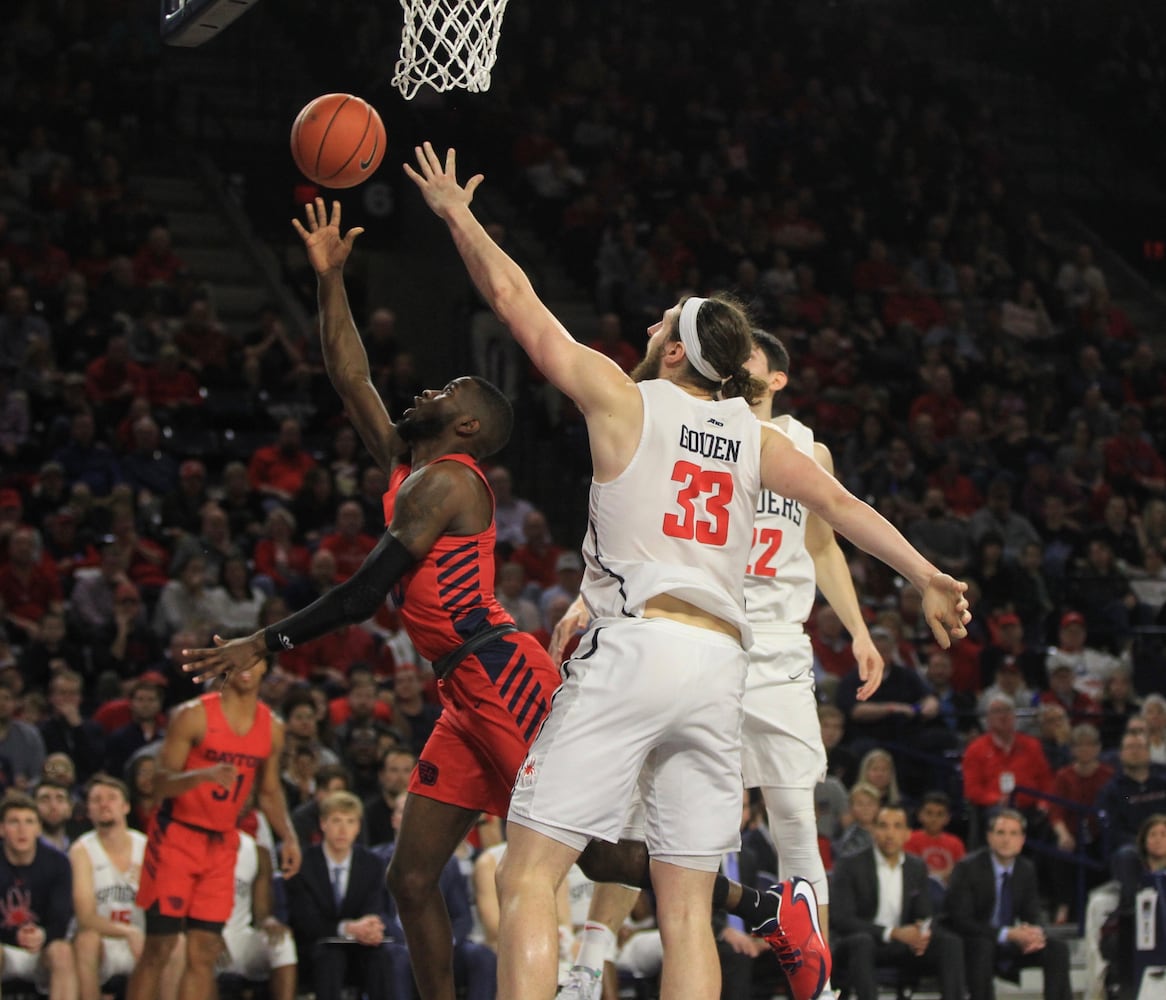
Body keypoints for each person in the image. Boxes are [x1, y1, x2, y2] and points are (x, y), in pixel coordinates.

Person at [401, 142, 969, 1000]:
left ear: (675, 355)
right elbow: (846, 510)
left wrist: (456, 212)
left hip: (638, 650)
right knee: (685, 905)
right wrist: (925, 574)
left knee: (527, 877)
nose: (649, 330)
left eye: (662, 324)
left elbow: (514, 301)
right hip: (720, 674)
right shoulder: (756, 436)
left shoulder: (622, 399)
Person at [183, 196, 562, 1000]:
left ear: (467, 430)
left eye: (451, 390)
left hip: (500, 670)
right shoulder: (408, 462)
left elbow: (363, 596)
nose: (431, 389)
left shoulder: (449, 485)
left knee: (586, 847)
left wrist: (267, 641)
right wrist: (330, 280)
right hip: (461, 685)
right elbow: (348, 372)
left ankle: (751, 900)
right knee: (412, 878)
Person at [558, 327, 887, 1000]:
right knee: (641, 814)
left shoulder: (801, 445)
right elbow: (640, 522)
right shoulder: (700, 425)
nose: (738, 360)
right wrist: (585, 596)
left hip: (778, 644)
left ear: (776, 378)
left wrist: (857, 628)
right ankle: (588, 969)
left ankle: (815, 981)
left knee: (795, 813)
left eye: (751, 355)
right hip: (704, 633)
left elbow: (825, 543)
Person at [125, 656, 301, 1000]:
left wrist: (289, 836)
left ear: (266, 667)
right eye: (241, 658)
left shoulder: (272, 727)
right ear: (226, 666)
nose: (248, 666)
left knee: (203, 951)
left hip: (222, 843)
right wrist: (200, 776)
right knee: (159, 946)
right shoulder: (192, 715)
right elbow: (158, 784)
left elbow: (268, 791)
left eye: (256, 658)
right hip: (176, 835)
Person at [830, 804, 965, 1000]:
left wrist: (922, 932)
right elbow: (842, 919)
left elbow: (925, 913)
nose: (890, 833)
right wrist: (893, 933)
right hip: (862, 941)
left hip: (903, 943)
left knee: (950, 943)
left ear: (908, 834)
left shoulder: (916, 866)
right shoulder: (850, 865)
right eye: (883, 826)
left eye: (897, 826)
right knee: (862, 942)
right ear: (874, 831)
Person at [69, 774, 180, 1000]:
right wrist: (128, 931)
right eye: (96, 799)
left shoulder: (147, 847)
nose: (104, 804)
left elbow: (167, 904)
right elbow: (86, 917)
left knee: (177, 942)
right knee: (85, 941)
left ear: (126, 806)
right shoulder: (81, 851)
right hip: (104, 942)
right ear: (88, 810)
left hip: (142, 941)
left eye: (111, 798)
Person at [943, 808, 1071, 1000]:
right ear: (989, 837)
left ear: (1022, 839)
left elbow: (1032, 911)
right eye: (1000, 833)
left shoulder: (1025, 868)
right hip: (974, 941)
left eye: (1013, 834)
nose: (1006, 840)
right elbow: (961, 920)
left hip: (1007, 942)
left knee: (1057, 948)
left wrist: (1034, 932)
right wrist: (1007, 934)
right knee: (983, 946)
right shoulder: (968, 868)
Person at [284, 790, 399, 1000]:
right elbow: (305, 920)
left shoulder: (371, 863)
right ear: (323, 824)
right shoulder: (303, 864)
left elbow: (374, 905)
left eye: (350, 822)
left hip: (359, 944)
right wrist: (346, 928)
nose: (342, 830)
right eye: (336, 821)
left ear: (358, 827)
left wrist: (369, 925)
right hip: (315, 945)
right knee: (330, 956)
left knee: (383, 955)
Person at [0, 790, 77, 999]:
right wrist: (13, 936)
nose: (22, 829)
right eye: (14, 822)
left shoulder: (58, 863)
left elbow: (61, 919)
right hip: (3, 948)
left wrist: (43, 935)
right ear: (2, 829)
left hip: (43, 949)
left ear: (38, 829)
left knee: (63, 952)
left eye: (29, 822)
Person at [219, 823, 298, 1000]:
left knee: (282, 942)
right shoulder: (194, 846)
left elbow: (262, 913)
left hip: (240, 939)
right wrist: (205, 935)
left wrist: (269, 921)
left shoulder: (256, 852)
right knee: (200, 952)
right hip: (205, 939)